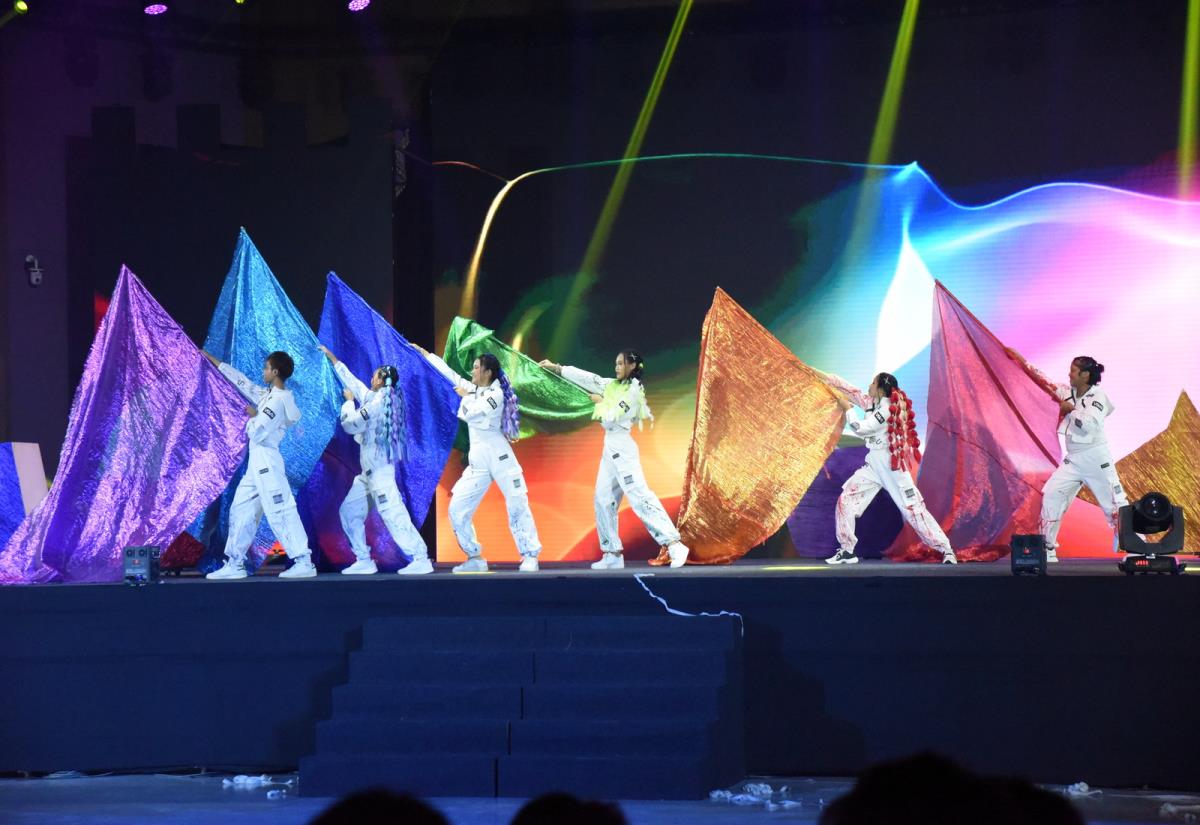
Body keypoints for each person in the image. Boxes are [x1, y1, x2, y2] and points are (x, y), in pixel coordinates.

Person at [539, 351, 689, 569]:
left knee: (639, 496)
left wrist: (600, 401)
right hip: (610, 449)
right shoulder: (612, 385)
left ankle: (674, 545)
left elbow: (612, 417)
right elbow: (591, 379)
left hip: (623, 448)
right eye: (616, 363)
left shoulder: (634, 391)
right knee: (603, 499)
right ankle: (612, 553)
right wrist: (559, 369)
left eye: (621, 363)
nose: (616, 367)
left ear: (632, 366)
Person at [413, 344, 542, 573]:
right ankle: (474, 556)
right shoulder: (473, 390)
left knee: (517, 504)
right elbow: (449, 375)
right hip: (478, 462)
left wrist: (464, 397)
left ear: (487, 372)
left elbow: (471, 413)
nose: (472, 371)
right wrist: (426, 354)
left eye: (475, 367)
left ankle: (530, 555)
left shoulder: (496, 394)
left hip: (500, 457)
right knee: (457, 508)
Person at [203, 349, 317, 580]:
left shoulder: (277, 401)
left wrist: (253, 416)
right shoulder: (269, 395)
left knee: (280, 510)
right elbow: (244, 383)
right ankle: (235, 563)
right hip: (257, 466)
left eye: (266, 367)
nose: (263, 371)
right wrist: (215, 362)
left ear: (275, 371)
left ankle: (303, 561)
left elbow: (257, 432)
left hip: (267, 462)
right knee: (241, 509)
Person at [319, 345, 432, 575]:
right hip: (367, 476)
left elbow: (351, 424)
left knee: (393, 514)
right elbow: (356, 385)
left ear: (381, 380)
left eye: (374, 375)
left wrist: (348, 403)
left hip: (380, 475)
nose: (371, 378)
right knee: (349, 512)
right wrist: (334, 360)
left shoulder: (378, 404)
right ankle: (364, 559)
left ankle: (420, 557)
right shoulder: (379, 399)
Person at [1006, 351, 1127, 563]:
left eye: (1073, 370)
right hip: (1074, 459)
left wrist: (1070, 411)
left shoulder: (1097, 396)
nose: (1069, 374)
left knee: (1114, 505)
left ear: (1085, 375)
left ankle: (1136, 546)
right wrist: (1021, 361)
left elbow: (1091, 425)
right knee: (1052, 495)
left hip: (1096, 457)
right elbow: (1042, 380)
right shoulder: (1066, 391)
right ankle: (1048, 548)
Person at [826, 372, 957, 565]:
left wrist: (848, 409)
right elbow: (851, 391)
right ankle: (847, 550)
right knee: (846, 499)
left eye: (873, 383)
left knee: (913, 509)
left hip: (892, 467)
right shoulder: (873, 402)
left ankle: (946, 549)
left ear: (880, 389)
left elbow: (861, 428)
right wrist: (819, 375)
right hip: (874, 465)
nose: (869, 385)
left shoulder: (888, 409)